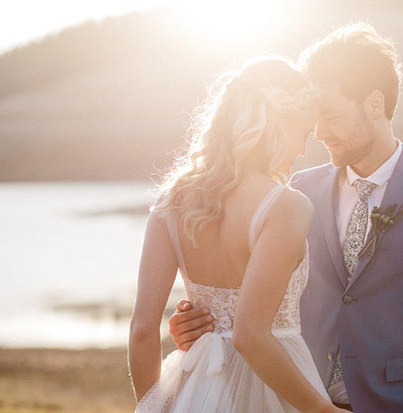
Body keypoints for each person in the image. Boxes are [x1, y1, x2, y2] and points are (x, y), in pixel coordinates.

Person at [169, 23, 403, 412]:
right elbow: (248, 308)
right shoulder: (293, 193)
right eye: (314, 118)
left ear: (375, 105)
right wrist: (197, 326)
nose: (319, 132)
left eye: (332, 115)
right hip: (298, 401)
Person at [128, 55, 349, 412]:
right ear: (277, 125)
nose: (303, 150)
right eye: (303, 133)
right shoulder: (286, 206)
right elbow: (250, 335)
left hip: (197, 391)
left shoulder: (171, 204)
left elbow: (141, 330)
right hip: (277, 395)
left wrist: (153, 406)